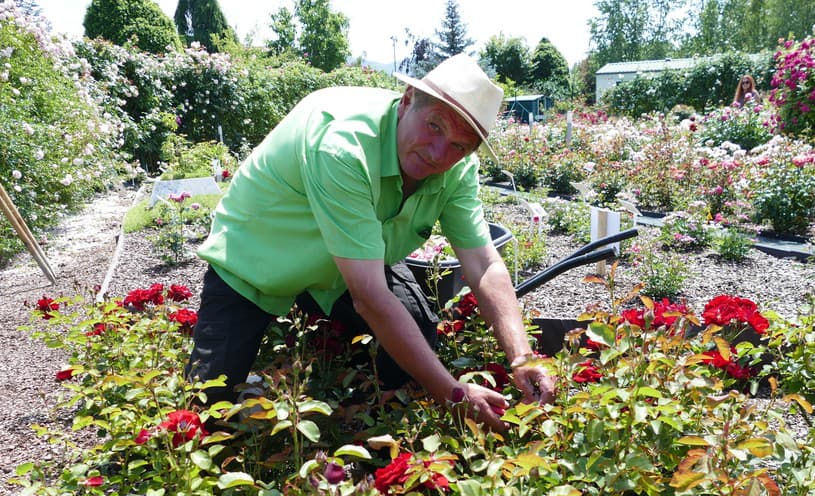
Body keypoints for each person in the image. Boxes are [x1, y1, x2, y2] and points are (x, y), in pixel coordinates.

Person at [188, 54, 556, 432]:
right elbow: (370, 296)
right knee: (205, 409)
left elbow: (483, 263)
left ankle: (363, 426)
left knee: (414, 329)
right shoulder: (343, 145)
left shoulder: (457, 167)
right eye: (434, 126)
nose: (438, 153)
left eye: (459, 146)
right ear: (408, 99)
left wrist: (522, 358)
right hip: (258, 259)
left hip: (350, 262)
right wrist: (454, 395)